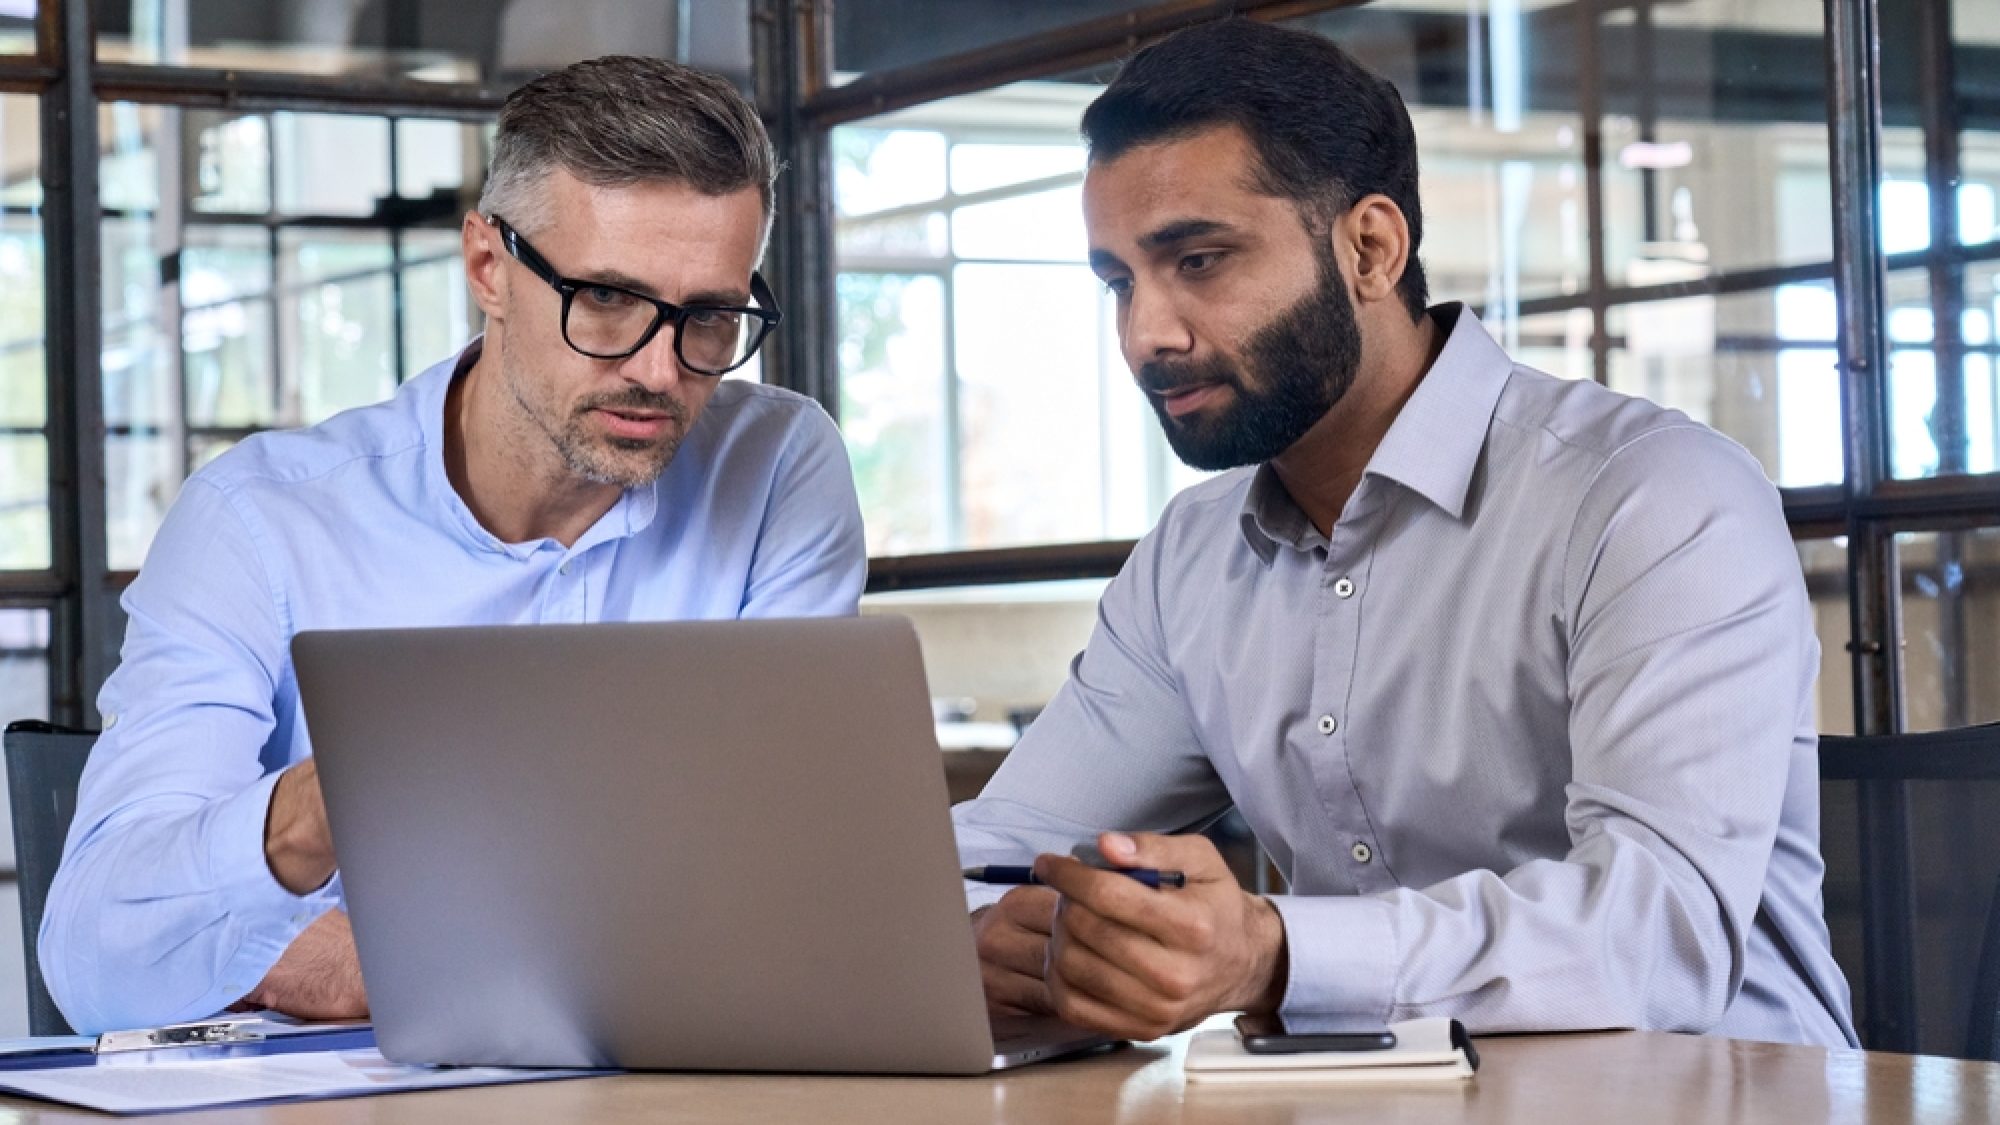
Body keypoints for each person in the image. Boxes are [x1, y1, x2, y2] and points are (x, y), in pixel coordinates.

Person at [953, 19, 1857, 1049]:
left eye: (1197, 261)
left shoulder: (1648, 498)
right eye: (1117, 283)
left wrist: (1271, 953)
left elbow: (1657, 936)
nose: (1145, 334)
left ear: (1370, 249)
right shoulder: (1191, 559)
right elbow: (995, 848)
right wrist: (993, 934)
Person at [43, 56, 866, 1034]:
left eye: (710, 316)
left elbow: (782, 891)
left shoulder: (777, 467)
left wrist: (390, 953)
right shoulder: (257, 524)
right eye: (604, 298)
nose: (658, 369)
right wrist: (308, 820)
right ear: (487, 268)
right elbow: (92, 956)